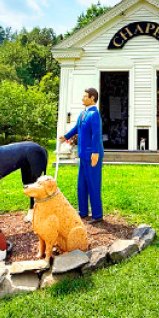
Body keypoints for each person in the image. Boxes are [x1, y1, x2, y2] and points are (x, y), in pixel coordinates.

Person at [61, 87, 104, 221]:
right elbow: (76, 128)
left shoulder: (94, 115)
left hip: (92, 155)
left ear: (92, 98)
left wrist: (95, 153)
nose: (82, 98)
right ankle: (83, 211)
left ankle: (97, 215)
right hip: (83, 155)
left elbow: (96, 135)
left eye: (85, 96)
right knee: (82, 185)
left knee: (93, 185)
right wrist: (66, 136)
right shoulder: (83, 113)